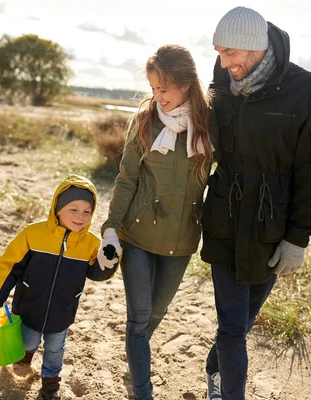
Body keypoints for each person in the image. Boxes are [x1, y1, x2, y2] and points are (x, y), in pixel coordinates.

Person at [201, 6, 311, 400]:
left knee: (245, 319)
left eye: (230, 53)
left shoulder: (305, 88)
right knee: (233, 328)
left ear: (254, 47)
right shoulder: (222, 77)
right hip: (224, 214)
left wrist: (298, 238)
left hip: (271, 224)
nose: (224, 63)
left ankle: (215, 371)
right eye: (219, 53)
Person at [100, 44, 216, 400]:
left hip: (181, 241)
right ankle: (142, 390)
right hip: (136, 235)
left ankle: (136, 354)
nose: (157, 97)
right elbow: (126, 178)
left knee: (157, 311)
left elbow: (227, 178)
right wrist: (110, 228)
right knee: (138, 318)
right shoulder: (145, 121)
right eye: (153, 89)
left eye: (163, 89)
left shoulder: (211, 124)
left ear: (185, 83)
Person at [0, 174, 118, 400]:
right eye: (73, 209)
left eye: (87, 211)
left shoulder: (91, 244)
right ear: (57, 208)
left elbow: (97, 274)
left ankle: (50, 385)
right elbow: (10, 265)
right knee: (29, 341)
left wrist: (109, 261)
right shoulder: (33, 234)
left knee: (56, 350)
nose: (80, 217)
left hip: (62, 311)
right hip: (29, 306)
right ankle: (25, 358)